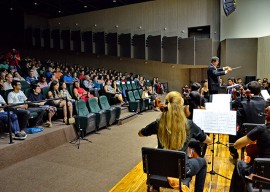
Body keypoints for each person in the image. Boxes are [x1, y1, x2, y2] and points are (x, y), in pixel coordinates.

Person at [138, 91, 211, 192]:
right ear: (181, 106)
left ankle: (155, 186)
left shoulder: (158, 123)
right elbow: (208, 140)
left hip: (160, 168)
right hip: (181, 170)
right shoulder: (188, 124)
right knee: (202, 162)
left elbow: (141, 133)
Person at [229, 106, 270, 192]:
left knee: (240, 164)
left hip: (261, 175)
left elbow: (236, 145)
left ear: (267, 116)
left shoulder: (262, 129)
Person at [229, 81, 267, 160]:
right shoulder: (266, 103)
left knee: (231, 134)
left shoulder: (244, 103)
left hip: (246, 133)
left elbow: (238, 120)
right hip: (263, 133)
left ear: (248, 91)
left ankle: (234, 153)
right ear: (260, 91)